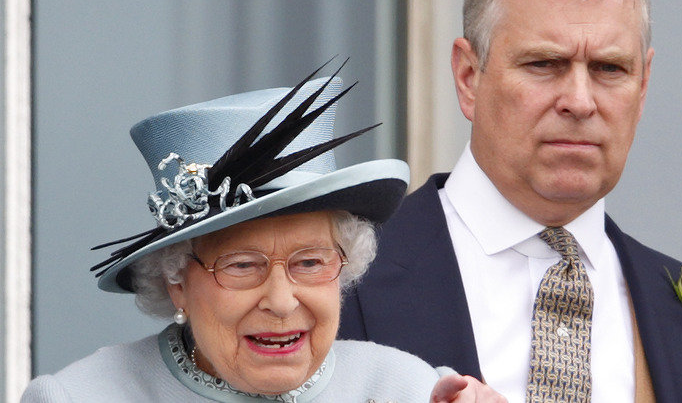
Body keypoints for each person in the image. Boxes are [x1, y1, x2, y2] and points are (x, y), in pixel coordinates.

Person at [339, 0, 682, 402]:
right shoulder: (334, 284)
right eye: (543, 64)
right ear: (468, 77)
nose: (579, 101)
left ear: (643, 87)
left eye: (610, 68)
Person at [21, 64, 507, 403]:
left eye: (311, 262)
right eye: (242, 265)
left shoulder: (409, 389)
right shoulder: (78, 398)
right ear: (176, 280)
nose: (281, 300)